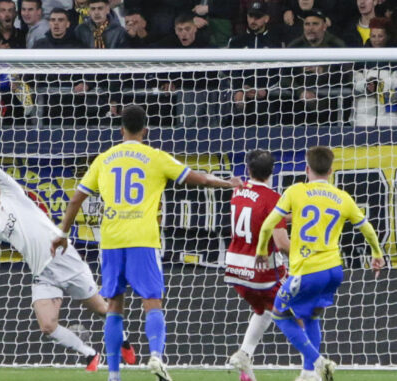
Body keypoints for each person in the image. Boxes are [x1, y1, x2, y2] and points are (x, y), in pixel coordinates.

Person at [51, 105, 243, 381]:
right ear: (146, 130)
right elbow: (199, 178)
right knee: (152, 301)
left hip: (112, 240)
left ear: (121, 130)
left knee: (114, 305)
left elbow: (76, 199)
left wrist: (63, 233)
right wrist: (228, 183)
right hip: (143, 238)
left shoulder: (105, 158)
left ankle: (114, 375)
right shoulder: (155, 157)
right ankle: (156, 356)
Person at [0, 111, 137, 372]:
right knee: (47, 326)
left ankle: (123, 341)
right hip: (43, 275)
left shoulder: (12, 191)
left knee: (101, 309)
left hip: (64, 259)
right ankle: (90, 355)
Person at [255, 146, 386, 381]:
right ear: (331, 170)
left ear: (307, 169)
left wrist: (261, 250)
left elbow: (267, 224)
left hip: (307, 270)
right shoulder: (342, 197)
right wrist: (377, 253)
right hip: (334, 271)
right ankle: (309, 374)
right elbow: (367, 228)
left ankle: (318, 362)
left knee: (278, 313)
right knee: (312, 316)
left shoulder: (296, 191)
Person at [225, 150, 290, 381]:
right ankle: (313, 366)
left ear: (248, 170)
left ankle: (245, 360)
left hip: (234, 268)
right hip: (261, 271)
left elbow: (261, 215)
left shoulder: (238, 192)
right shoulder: (273, 199)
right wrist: (307, 256)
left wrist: (293, 215)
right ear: (272, 172)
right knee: (297, 307)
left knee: (263, 311)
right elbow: (282, 243)